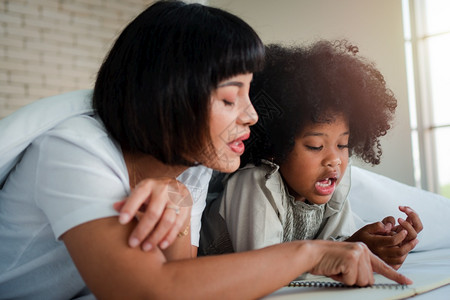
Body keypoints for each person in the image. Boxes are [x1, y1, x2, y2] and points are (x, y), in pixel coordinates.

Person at [0, 2, 411, 299]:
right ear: (170, 96)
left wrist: (177, 199)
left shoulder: (191, 168)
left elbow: (184, 279)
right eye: (231, 99)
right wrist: (309, 254)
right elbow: (147, 292)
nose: (252, 115)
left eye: (250, 96)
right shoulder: (75, 151)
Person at [199, 41, 422, 270]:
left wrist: (378, 242)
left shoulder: (335, 189)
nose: (334, 159)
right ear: (276, 148)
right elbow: (266, 268)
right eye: (316, 146)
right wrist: (349, 250)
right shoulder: (255, 183)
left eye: (343, 144)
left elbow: (338, 244)